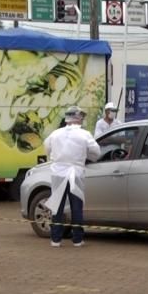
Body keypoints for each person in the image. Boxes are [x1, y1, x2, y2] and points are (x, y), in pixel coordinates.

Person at [43, 106, 101, 248]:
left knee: (57, 206)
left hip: (58, 173)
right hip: (76, 173)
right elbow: (96, 153)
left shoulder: (55, 134)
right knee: (76, 207)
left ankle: (55, 239)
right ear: (78, 118)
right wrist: (86, 156)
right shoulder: (84, 134)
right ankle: (77, 239)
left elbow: (47, 148)